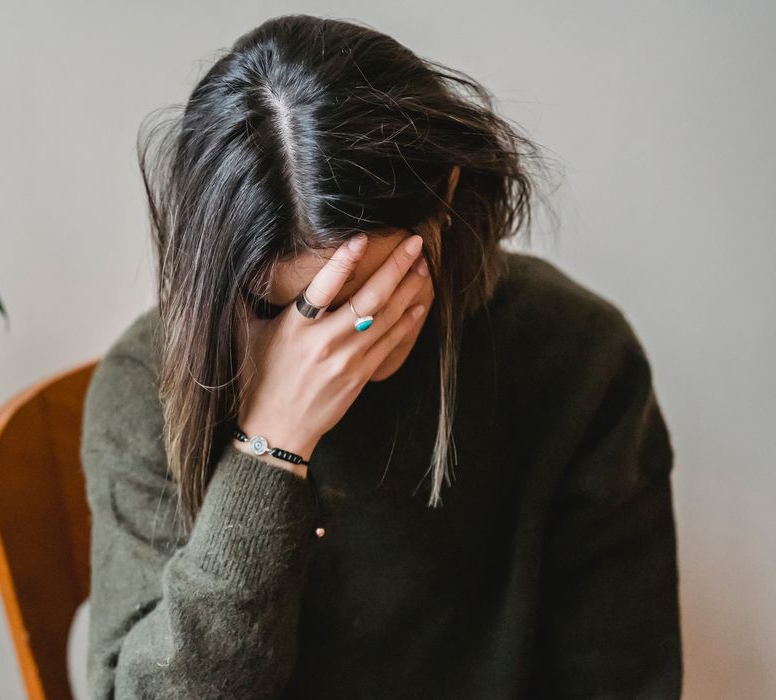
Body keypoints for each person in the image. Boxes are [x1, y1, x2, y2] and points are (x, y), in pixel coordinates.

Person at [81, 13, 681, 699]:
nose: (337, 340)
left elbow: (622, 678)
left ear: (446, 195)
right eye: (281, 307)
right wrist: (269, 452)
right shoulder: (145, 387)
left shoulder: (576, 355)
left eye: (365, 289)